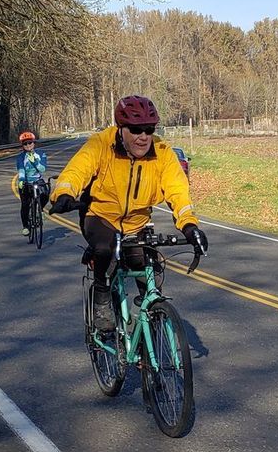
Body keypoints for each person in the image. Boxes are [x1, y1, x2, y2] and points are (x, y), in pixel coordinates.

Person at [48, 95, 207, 331]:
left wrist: (190, 226)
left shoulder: (162, 153)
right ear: (120, 129)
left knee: (151, 274)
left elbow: (178, 191)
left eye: (149, 129)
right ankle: (102, 297)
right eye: (135, 129)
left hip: (137, 224)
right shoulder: (101, 144)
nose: (143, 136)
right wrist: (64, 193)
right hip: (100, 218)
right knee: (105, 250)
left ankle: (149, 329)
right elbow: (76, 171)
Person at [14, 131, 49, 236]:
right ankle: (25, 226)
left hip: (37, 180)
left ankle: (40, 210)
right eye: (25, 144)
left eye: (30, 143)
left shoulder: (41, 154)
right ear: (22, 145)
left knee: (45, 194)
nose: (28, 145)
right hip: (26, 181)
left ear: (34, 143)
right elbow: (21, 169)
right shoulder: (20, 157)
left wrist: (35, 162)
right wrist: (21, 180)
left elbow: (42, 169)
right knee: (25, 205)